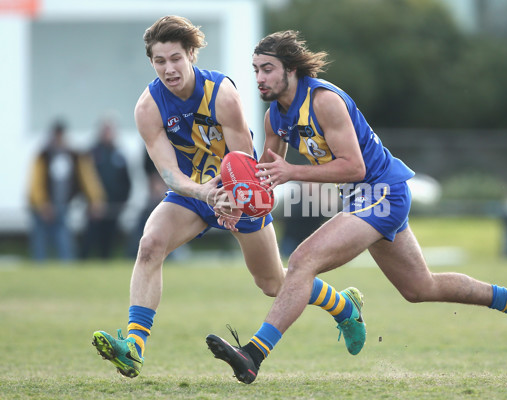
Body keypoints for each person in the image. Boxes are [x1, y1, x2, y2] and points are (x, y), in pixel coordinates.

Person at [206, 30, 507, 384]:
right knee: (419, 288)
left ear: (291, 69)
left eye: (267, 69)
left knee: (302, 261)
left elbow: (354, 167)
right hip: (361, 198)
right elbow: (263, 176)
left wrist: (292, 171)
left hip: (384, 191)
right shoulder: (274, 117)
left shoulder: (324, 101)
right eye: (256, 70)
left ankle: (252, 355)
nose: (260, 78)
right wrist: (236, 201)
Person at [91, 16, 366, 379]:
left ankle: (343, 306)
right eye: (160, 61)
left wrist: (231, 195)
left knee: (272, 284)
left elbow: (241, 158)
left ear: (191, 54)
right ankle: (134, 349)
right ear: (152, 62)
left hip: (239, 188)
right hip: (195, 192)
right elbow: (169, 172)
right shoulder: (148, 107)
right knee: (150, 244)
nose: (169, 69)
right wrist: (202, 192)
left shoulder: (221, 93)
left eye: (175, 58)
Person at [28, 120, 106, 262]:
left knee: (64, 240)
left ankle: (67, 266)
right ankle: (39, 267)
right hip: (42, 207)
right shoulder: (43, 155)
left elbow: (88, 178)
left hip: (62, 205)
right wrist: (42, 204)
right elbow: (36, 182)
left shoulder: (74, 156)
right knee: (40, 242)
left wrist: (96, 199)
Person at [80, 117, 131, 259]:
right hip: (94, 206)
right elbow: (85, 179)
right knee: (89, 242)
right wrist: (91, 201)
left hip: (113, 206)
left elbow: (126, 181)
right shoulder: (91, 152)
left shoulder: (119, 154)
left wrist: (122, 202)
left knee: (108, 243)